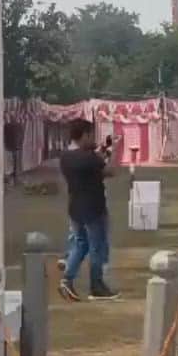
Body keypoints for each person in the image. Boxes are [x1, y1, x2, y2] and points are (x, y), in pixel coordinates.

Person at [59, 119, 120, 301]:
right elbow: (110, 171)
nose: (93, 138)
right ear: (84, 135)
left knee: (80, 244)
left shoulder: (65, 157)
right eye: (91, 135)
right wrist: (116, 150)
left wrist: (100, 152)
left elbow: (92, 172)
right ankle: (96, 286)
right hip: (93, 207)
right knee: (97, 247)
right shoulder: (88, 158)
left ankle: (67, 279)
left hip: (75, 207)